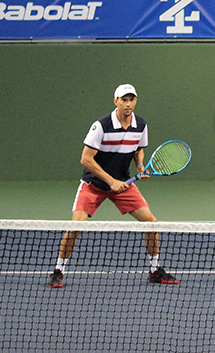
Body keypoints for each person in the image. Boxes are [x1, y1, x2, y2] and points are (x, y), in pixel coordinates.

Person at [48, 84, 178, 288]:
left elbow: (139, 149)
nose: (128, 104)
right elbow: (86, 159)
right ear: (115, 101)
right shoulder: (101, 126)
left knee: (151, 222)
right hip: (94, 184)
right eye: (123, 100)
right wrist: (110, 181)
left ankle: (154, 270)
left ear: (135, 101)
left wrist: (140, 164)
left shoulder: (141, 125)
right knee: (75, 227)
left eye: (131, 99)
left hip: (124, 185)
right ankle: (58, 270)